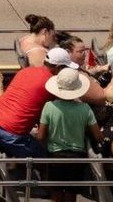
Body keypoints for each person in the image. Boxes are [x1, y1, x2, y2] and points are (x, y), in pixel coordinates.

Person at [0, 45, 71, 157]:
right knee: (46, 158)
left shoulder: (26, 71)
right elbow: (53, 117)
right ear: (59, 68)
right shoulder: (51, 84)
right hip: (11, 134)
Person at [35, 67, 103, 202]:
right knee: (72, 194)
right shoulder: (85, 108)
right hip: (77, 158)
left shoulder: (49, 107)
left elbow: (41, 136)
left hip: (54, 156)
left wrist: (36, 133)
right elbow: (98, 136)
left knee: (55, 192)